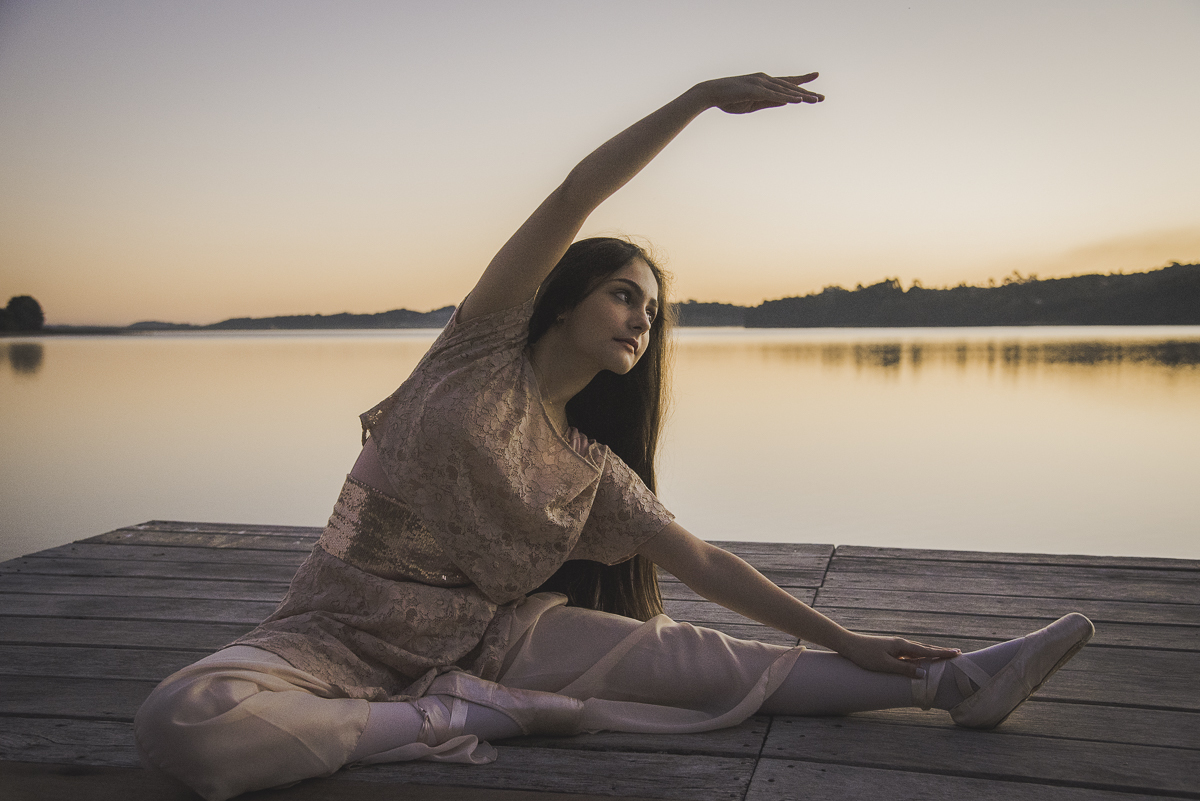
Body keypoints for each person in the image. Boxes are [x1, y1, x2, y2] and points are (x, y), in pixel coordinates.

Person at [134, 73, 1094, 801]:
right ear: (563, 302)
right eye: (623, 294)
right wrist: (699, 99)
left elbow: (707, 561)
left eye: (653, 310)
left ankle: (959, 681)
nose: (641, 318)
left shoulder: (596, 474)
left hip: (495, 643)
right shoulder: (475, 353)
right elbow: (570, 196)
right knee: (184, 726)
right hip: (329, 636)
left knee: (714, 662)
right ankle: (439, 721)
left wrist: (846, 633)